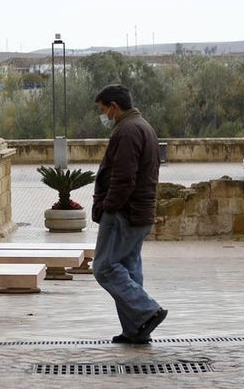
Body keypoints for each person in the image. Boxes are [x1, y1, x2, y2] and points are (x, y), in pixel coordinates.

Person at [91, 84, 167, 345]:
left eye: (104, 110)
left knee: (104, 267)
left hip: (124, 213)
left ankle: (147, 310)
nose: (104, 116)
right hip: (139, 213)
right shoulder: (142, 126)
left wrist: (107, 208)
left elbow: (123, 179)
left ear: (114, 106)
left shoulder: (127, 131)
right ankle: (136, 330)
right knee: (129, 268)